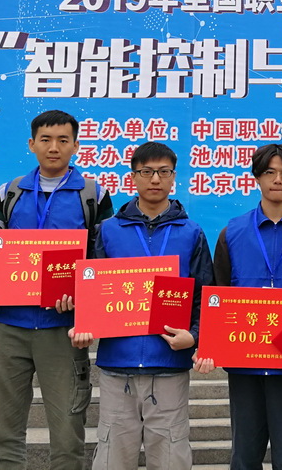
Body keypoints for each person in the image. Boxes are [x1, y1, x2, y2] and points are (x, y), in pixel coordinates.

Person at [0, 110, 113, 469]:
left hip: (61, 329)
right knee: (3, 433)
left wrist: (82, 298)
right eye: (46, 140)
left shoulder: (93, 194)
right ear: (31, 144)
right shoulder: (10, 191)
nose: (54, 147)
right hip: (7, 325)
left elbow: (102, 258)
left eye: (63, 140)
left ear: (76, 146)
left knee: (67, 435)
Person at [70, 141, 213, 470]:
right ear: (133, 177)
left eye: (164, 171)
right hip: (117, 364)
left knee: (171, 457)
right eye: (146, 172)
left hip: (169, 364)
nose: (155, 179)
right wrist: (84, 325)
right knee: (113, 457)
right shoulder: (108, 230)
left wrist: (194, 336)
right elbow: (91, 291)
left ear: (174, 177)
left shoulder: (191, 233)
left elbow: (203, 295)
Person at [205, 143, 282, 470]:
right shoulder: (232, 231)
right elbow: (217, 294)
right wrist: (213, 344)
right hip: (244, 360)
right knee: (244, 457)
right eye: (270, 172)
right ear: (257, 177)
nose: (278, 180)